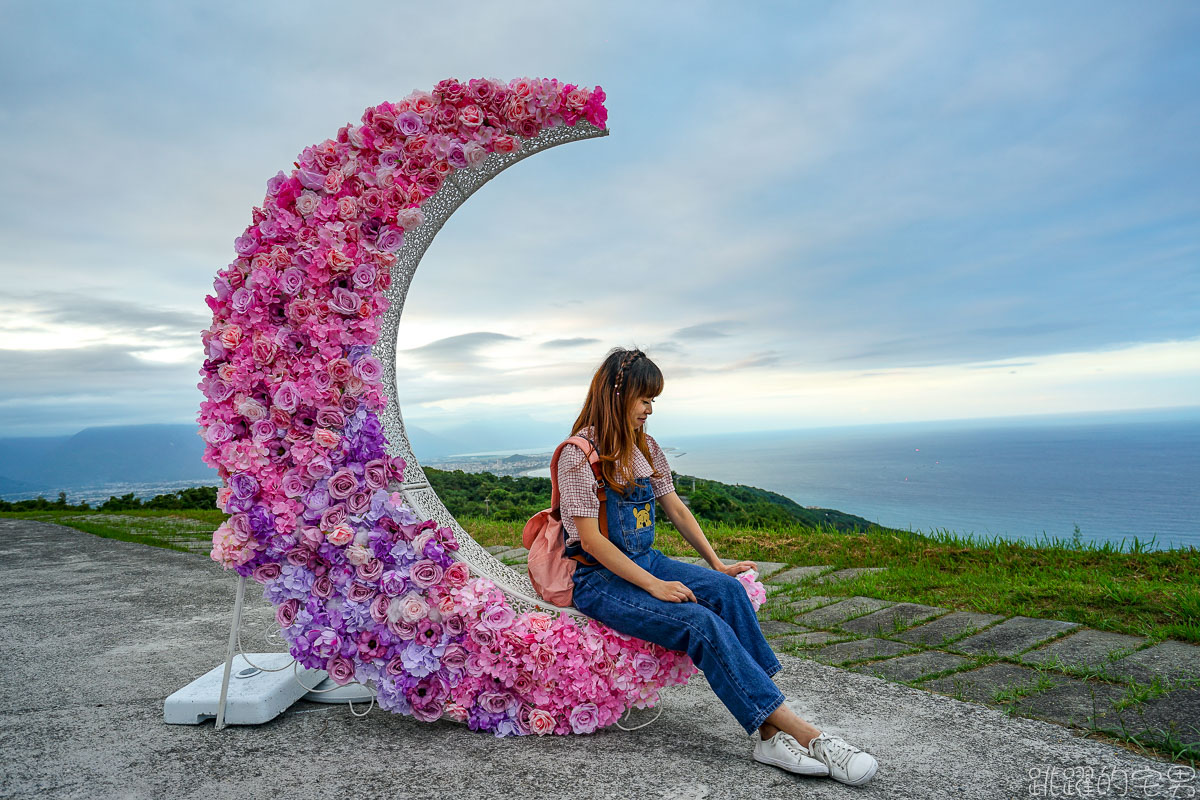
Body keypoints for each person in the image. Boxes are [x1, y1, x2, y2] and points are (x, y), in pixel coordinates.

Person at [557, 347, 878, 787]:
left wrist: (716, 565)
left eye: (653, 400)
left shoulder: (645, 447)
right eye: (644, 398)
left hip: (646, 560)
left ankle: (769, 731)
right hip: (600, 577)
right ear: (617, 393)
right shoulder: (578, 455)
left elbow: (677, 509)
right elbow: (590, 539)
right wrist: (655, 586)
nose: (650, 409)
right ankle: (810, 736)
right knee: (698, 624)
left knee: (727, 593)